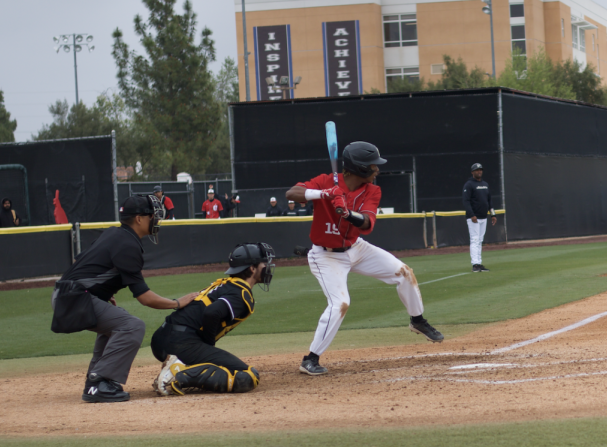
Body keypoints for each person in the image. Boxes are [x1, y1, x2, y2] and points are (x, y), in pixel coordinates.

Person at [286, 140, 444, 376]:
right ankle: (310, 359)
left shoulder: (373, 190)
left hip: (356, 248)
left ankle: (417, 320)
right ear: (359, 168)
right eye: (373, 166)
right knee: (340, 303)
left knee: (403, 272)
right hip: (325, 256)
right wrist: (325, 194)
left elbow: (368, 222)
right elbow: (292, 193)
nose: (377, 170)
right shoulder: (326, 181)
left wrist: (347, 213)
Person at [51, 194, 198, 403]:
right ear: (139, 219)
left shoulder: (115, 234)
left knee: (116, 322)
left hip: (68, 293)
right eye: (152, 216)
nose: (156, 220)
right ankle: (100, 381)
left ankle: (96, 379)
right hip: (73, 298)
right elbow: (145, 298)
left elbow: (84, 263)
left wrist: (101, 293)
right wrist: (177, 302)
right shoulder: (128, 244)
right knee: (132, 326)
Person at [151, 242, 273, 396]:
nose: (267, 266)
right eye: (263, 263)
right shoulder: (241, 294)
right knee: (248, 376)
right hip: (181, 343)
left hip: (162, 339)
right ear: (252, 268)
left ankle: (178, 365)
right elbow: (211, 313)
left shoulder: (225, 284)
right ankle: (178, 373)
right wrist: (208, 345)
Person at [462, 162, 497, 272]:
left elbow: (489, 200)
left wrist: (493, 214)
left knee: (480, 240)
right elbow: (466, 201)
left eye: (481, 170)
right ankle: (475, 264)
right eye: (477, 170)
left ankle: (479, 263)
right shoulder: (469, 184)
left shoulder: (485, 184)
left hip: (483, 217)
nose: (479, 171)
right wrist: (472, 214)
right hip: (474, 218)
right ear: (472, 172)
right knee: (475, 239)